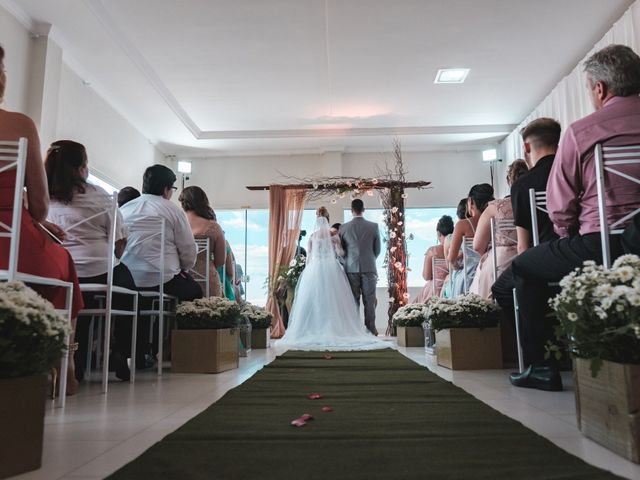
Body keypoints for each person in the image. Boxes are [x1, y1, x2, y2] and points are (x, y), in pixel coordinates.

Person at [510, 44, 640, 392]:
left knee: (525, 267)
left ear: (600, 89)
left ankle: (541, 367)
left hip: (602, 242)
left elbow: (560, 205)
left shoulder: (583, 131)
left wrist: (567, 235)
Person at [0, 45, 84, 395]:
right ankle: (62, 365)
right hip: (10, 243)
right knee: (63, 262)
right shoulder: (18, 125)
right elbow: (39, 205)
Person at [45, 140, 137, 381]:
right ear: (81, 167)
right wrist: (114, 257)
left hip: (59, 270)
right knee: (129, 290)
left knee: (79, 299)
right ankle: (120, 351)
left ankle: (78, 358)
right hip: (101, 269)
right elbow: (119, 241)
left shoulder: (42, 195)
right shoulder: (102, 196)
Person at [491, 118, 562, 357]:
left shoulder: (524, 184)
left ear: (527, 148)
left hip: (544, 257)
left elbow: (523, 245)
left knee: (503, 288)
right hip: (581, 251)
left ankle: (537, 358)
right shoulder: (573, 171)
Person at [276, 207, 387, 351]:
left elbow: (309, 257)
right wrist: (340, 252)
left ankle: (315, 329)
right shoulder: (333, 236)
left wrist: (309, 272)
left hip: (314, 270)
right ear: (328, 219)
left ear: (317, 219)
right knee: (334, 301)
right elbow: (340, 253)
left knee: (315, 301)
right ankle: (339, 329)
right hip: (331, 268)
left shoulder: (312, 236)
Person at [120, 164, 201, 300]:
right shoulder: (173, 210)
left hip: (128, 280)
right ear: (166, 189)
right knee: (195, 292)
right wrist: (184, 269)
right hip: (163, 280)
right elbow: (188, 250)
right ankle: (167, 321)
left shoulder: (125, 209)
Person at [469, 160, 528, 299]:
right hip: (532, 256)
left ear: (509, 181)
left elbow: (477, 245)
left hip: (500, 262)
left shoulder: (495, 207)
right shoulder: (532, 201)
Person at [443, 184, 494, 298]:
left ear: (471, 202)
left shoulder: (463, 224)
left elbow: (451, 259)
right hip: (491, 269)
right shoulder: (494, 220)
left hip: (468, 275)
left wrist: (457, 267)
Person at [339, 199, 382, 335]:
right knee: (369, 300)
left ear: (352, 210)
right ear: (363, 209)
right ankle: (370, 330)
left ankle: (355, 330)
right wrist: (369, 259)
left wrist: (349, 260)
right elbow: (377, 250)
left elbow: (342, 251)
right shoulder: (374, 226)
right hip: (369, 267)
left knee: (353, 301)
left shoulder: (343, 228)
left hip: (350, 268)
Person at [178, 186, 224, 297]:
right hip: (208, 279)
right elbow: (220, 261)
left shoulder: (177, 225)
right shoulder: (214, 227)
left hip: (182, 279)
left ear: (183, 203)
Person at [413, 215, 454, 303]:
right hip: (453, 286)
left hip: (435, 289)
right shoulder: (458, 249)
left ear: (439, 233)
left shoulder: (432, 251)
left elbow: (426, 276)